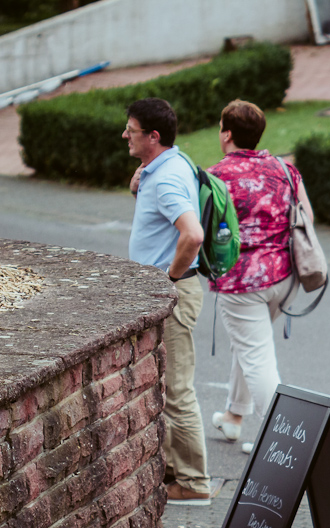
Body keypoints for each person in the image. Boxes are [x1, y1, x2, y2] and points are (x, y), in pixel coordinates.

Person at [207, 100, 309, 453]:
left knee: (256, 356)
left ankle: (280, 443)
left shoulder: (215, 176)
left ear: (227, 134)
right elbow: (307, 218)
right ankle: (234, 416)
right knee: (252, 343)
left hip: (241, 283)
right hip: (286, 278)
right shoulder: (284, 168)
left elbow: (201, 229)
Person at [125, 97, 212, 506]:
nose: (125, 135)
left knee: (176, 388)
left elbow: (192, 235)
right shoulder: (172, 164)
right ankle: (175, 470)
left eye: (132, 130)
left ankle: (194, 482)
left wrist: (168, 281)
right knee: (164, 383)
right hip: (170, 292)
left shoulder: (165, 178)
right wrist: (139, 183)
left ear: (153, 136)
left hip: (173, 293)